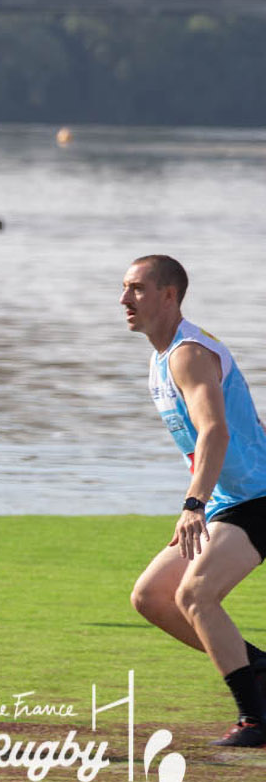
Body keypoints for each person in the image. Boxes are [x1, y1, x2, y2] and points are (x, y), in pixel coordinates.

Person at [123, 254, 266, 747]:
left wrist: (193, 504)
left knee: (195, 594)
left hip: (257, 498)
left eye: (137, 289)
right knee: (152, 597)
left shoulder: (187, 352)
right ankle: (258, 671)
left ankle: (256, 719)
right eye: (124, 289)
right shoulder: (161, 359)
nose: (124, 300)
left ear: (169, 295)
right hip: (231, 498)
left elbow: (215, 430)